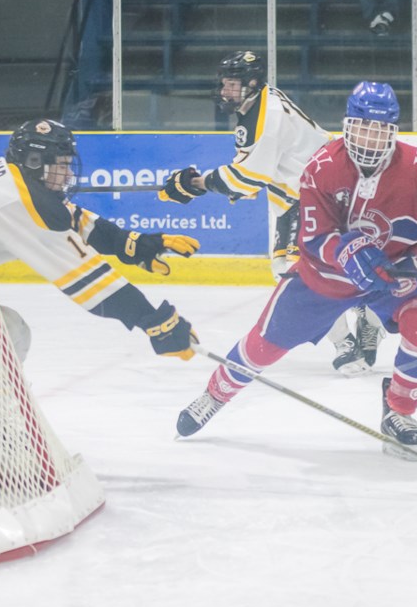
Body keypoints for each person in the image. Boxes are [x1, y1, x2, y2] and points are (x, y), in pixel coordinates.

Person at [174, 81, 417, 457]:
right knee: (261, 347)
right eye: (362, 127)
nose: (370, 137)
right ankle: (215, 394)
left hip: (392, 272)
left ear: (393, 131)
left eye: (379, 129)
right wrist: (350, 252)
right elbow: (314, 236)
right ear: (347, 125)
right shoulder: (323, 167)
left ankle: (399, 411)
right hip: (323, 279)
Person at [159, 50, 378, 374]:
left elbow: (247, 178)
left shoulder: (266, 115)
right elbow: (249, 177)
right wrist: (202, 183)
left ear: (251, 83)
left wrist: (197, 184)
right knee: (287, 268)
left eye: (231, 85)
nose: (224, 92)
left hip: (322, 192)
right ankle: (356, 318)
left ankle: (350, 337)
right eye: (224, 84)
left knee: (295, 269)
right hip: (299, 194)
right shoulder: (256, 106)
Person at [0, 119, 200, 363]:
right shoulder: (16, 204)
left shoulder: (8, 180)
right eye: (62, 165)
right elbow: (88, 277)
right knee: (9, 334)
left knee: (7, 332)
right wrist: (154, 321)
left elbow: (74, 218)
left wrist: (129, 243)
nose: (69, 174)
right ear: (35, 162)